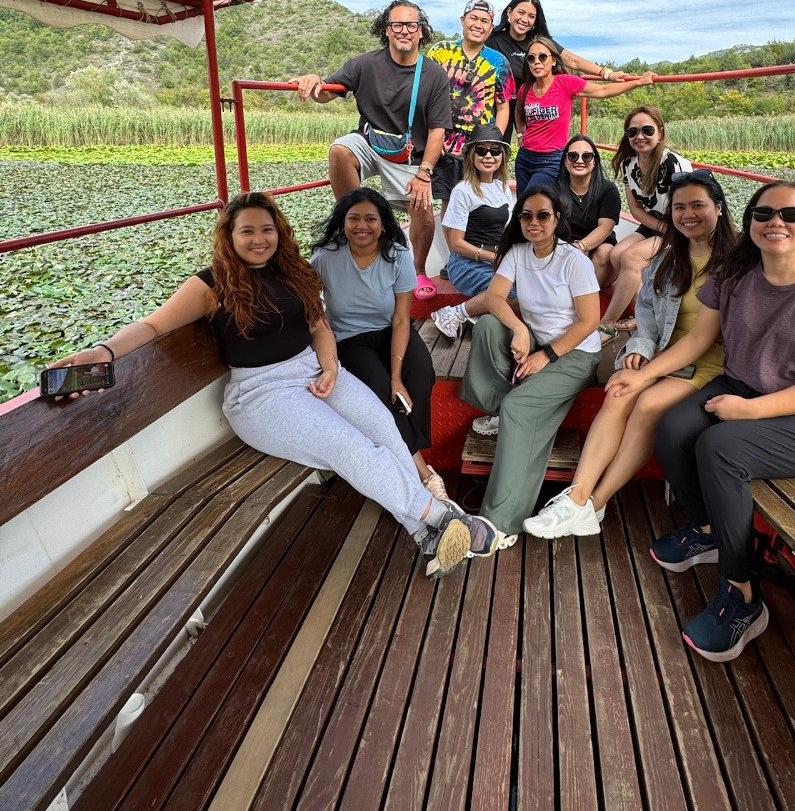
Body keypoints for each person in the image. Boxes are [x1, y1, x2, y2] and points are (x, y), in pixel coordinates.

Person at [46, 192, 499, 578]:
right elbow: (151, 327)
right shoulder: (212, 285)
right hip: (262, 394)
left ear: (278, 232)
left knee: (383, 425)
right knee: (350, 448)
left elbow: (319, 325)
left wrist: (329, 367)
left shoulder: (293, 270)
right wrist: (101, 354)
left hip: (314, 370)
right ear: (230, 236)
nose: (258, 240)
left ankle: (424, 534)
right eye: (247, 231)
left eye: (267, 230)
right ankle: (438, 517)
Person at [607, 180, 795, 662]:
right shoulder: (737, 274)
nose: (777, 223)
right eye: (765, 213)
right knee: (673, 426)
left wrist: (749, 410)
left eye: (791, 215)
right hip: (742, 388)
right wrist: (645, 374)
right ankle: (708, 530)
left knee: (720, 447)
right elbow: (696, 340)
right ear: (749, 222)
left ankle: (742, 593)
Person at [524, 170, 735, 540]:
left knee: (647, 402)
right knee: (619, 390)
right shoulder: (669, 258)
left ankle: (595, 502)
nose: (687, 214)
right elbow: (648, 316)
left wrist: (646, 372)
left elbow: (703, 339)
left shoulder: (735, 264)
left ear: (718, 207)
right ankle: (578, 498)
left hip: (710, 361)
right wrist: (639, 350)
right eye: (679, 207)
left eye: (698, 205)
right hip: (667, 353)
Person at [459, 185, 602, 544]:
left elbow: (589, 321)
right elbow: (493, 297)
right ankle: (498, 405)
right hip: (538, 340)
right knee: (492, 325)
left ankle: (501, 522)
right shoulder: (519, 254)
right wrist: (519, 328)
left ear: (556, 219)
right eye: (526, 215)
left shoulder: (574, 260)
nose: (534, 222)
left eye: (542, 215)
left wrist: (547, 355)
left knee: (520, 408)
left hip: (576, 353)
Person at [295, 0, 452, 301]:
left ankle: (417, 269)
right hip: (371, 143)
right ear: (386, 30)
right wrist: (314, 81)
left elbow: (437, 130)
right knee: (339, 149)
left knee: (423, 209)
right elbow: (326, 94)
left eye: (412, 25)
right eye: (397, 24)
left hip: (410, 154)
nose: (404, 30)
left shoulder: (433, 74)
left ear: (421, 32)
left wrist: (424, 173)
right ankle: (354, 219)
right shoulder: (363, 64)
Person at [311, 188, 446, 500]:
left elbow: (401, 319)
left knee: (421, 374)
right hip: (350, 339)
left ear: (383, 224)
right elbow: (311, 310)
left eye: (370, 219)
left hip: (391, 330)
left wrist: (398, 376)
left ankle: (403, 449)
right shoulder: (325, 259)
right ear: (342, 223)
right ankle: (424, 473)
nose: (362, 225)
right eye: (353, 218)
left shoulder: (397, 255)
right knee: (381, 390)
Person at [485, 0, 636, 141]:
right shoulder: (493, 40)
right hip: (498, 105)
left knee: (536, 147)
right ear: (510, 13)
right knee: (494, 148)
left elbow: (572, 60)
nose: (525, 19)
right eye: (521, 12)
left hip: (531, 106)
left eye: (531, 16)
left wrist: (606, 73)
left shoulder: (539, 43)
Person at [599, 104, 692, 334]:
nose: (639, 136)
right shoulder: (629, 165)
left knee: (630, 258)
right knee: (616, 254)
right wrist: (661, 228)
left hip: (680, 228)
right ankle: (646, 315)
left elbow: (688, 211)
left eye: (647, 130)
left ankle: (607, 323)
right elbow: (636, 210)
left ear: (660, 132)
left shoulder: (675, 165)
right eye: (632, 132)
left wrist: (669, 231)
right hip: (654, 224)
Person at [513, 38, 642, 196]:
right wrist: (520, 133)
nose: (536, 62)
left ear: (553, 61)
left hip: (551, 159)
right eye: (531, 58)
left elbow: (603, 91)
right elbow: (518, 111)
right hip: (525, 157)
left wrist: (639, 82)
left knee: (531, 198)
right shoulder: (525, 89)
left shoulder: (565, 83)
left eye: (542, 57)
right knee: (522, 207)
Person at [424, 0, 515, 206]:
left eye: (484, 21)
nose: (478, 24)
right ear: (462, 20)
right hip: (444, 143)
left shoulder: (499, 62)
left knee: (481, 199)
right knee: (449, 201)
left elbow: (503, 106)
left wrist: (494, 143)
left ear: (491, 28)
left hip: (479, 148)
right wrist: (434, 139)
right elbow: (426, 97)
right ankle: (452, 241)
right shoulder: (440, 51)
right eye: (473, 18)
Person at [433, 125, 516, 339]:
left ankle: (476, 313)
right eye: (481, 150)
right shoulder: (463, 190)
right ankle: (454, 313)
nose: (488, 156)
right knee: (511, 292)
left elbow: (508, 230)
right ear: (472, 155)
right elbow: (456, 243)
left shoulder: (503, 188)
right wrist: (492, 257)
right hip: (466, 263)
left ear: (502, 156)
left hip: (496, 259)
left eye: (495, 150)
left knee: (531, 285)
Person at [555, 134, 623, 283]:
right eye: (573, 156)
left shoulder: (608, 190)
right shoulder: (553, 191)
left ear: (594, 162)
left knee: (606, 252)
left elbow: (605, 228)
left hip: (597, 253)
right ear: (565, 161)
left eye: (586, 156)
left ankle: (585, 294)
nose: (579, 160)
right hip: (563, 251)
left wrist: (580, 247)